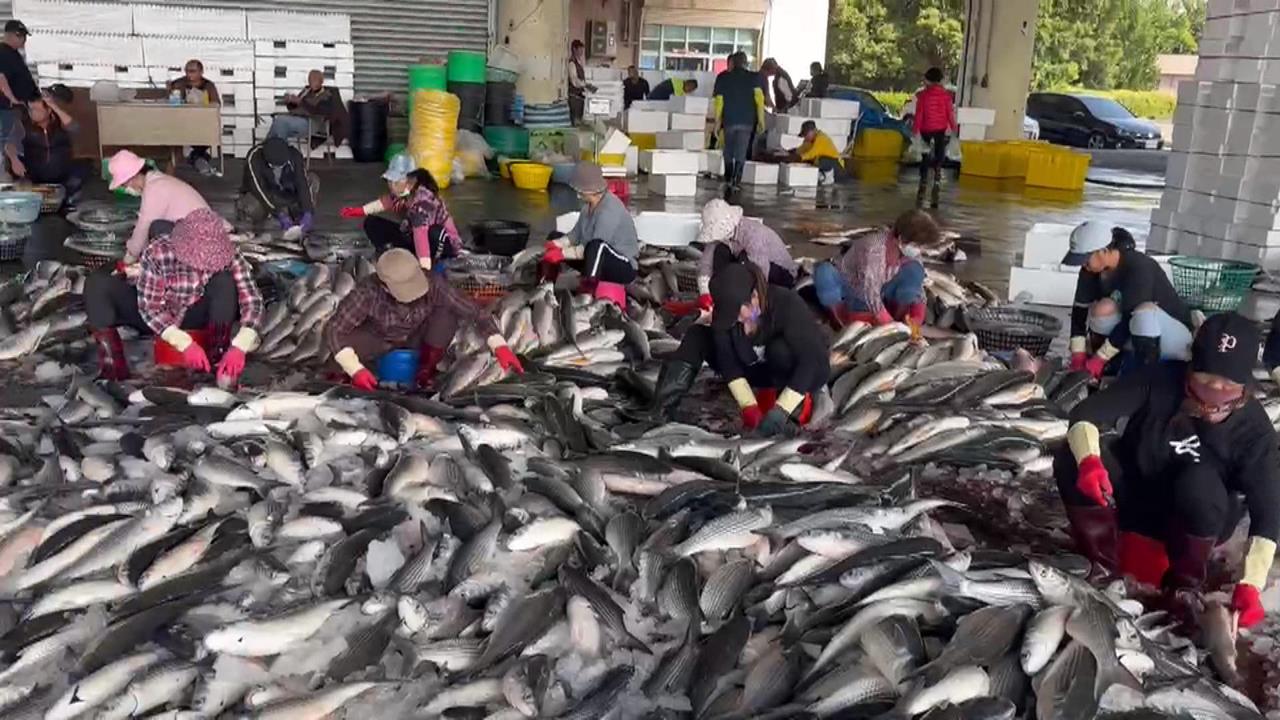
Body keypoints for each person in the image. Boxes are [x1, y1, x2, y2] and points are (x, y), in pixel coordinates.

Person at [1053, 312, 1277, 628]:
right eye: (1205, 378)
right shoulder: (1158, 380)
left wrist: (1251, 584)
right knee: (1071, 455)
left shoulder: (1256, 431)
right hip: (1137, 500)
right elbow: (1085, 413)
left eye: (1227, 386)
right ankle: (1101, 567)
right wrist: (1090, 462)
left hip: (1198, 520)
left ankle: (1184, 588)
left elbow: (1268, 513)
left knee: (1198, 479)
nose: (1214, 389)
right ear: (1190, 367)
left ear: (1246, 386)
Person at [84, 208, 263, 385]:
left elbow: (253, 300)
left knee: (224, 281)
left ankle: (218, 360)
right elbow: (150, 309)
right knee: (97, 283)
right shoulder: (158, 252)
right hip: (157, 321)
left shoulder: (230, 253)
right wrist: (185, 344)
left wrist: (240, 346)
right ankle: (114, 373)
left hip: (197, 314)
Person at [651, 262, 829, 438]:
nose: (734, 319)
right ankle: (663, 411)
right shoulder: (726, 317)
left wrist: (781, 410)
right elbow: (727, 359)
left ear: (754, 298)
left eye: (737, 312)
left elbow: (810, 361)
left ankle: (794, 412)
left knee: (780, 350)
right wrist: (748, 407)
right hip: (752, 368)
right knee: (697, 335)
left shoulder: (787, 304)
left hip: (795, 372)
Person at [326, 248, 523, 390]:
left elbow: (475, 312)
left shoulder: (434, 283)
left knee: (447, 313)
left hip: (416, 335)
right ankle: (345, 380)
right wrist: (354, 369)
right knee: (335, 356)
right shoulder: (367, 291)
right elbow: (334, 329)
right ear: (384, 286)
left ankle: (425, 371)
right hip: (378, 337)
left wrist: (499, 345)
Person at [1065, 221, 1193, 379]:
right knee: (1102, 309)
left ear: (1103, 251)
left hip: (1173, 338)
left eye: (1085, 260)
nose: (1083, 265)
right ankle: (1112, 368)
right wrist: (1078, 355)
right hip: (1134, 333)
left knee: (1143, 312)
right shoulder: (1091, 270)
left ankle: (1146, 376)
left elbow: (1129, 320)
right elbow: (1079, 310)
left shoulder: (1139, 267)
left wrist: (1100, 357)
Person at [813, 209, 941, 329]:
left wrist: (917, 315)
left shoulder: (911, 252)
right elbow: (870, 293)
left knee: (915, 270)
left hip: (882, 288)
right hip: (852, 286)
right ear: (901, 239)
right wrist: (890, 325)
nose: (921, 250)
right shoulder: (873, 248)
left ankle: (899, 318)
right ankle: (841, 323)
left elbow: (918, 286)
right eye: (919, 246)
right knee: (824, 272)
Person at [340, 153, 461, 274]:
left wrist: (425, 272)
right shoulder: (403, 193)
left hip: (443, 244)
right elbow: (385, 202)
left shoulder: (423, 202)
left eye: (395, 181)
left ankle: (432, 264)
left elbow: (421, 236)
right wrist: (359, 211)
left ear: (410, 181)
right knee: (371, 222)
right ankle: (392, 257)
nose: (391, 186)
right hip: (414, 237)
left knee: (434, 233)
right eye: (390, 181)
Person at [540, 161, 638, 308]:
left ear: (588, 190)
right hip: (593, 258)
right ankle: (545, 287)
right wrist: (556, 244)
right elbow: (575, 235)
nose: (577, 193)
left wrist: (562, 254)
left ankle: (587, 293)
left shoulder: (609, 210)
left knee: (596, 246)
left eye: (579, 189)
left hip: (622, 267)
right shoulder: (588, 208)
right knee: (555, 236)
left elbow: (592, 248)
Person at [107, 149, 211, 264]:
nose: (126, 188)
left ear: (132, 178)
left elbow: (144, 226)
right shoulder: (157, 181)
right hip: (203, 232)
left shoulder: (155, 189)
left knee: (157, 227)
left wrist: (130, 255)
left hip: (204, 239)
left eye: (124, 184)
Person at [694, 198, 797, 300]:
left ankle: (738, 298)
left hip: (779, 274)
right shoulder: (721, 238)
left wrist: (747, 303)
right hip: (750, 269)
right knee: (720, 251)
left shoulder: (753, 235)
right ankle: (723, 294)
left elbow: (760, 273)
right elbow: (706, 264)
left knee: (744, 259)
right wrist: (705, 293)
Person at [5, 86, 85, 199]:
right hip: (34, 174)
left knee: (80, 173)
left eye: (37, 110)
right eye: (30, 109)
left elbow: (75, 129)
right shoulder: (24, 124)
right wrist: (14, 160)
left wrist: (54, 106)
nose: (32, 113)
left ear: (49, 111)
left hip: (62, 174)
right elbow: (10, 144)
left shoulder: (60, 122)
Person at [237, 137, 316, 237]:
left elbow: (302, 182)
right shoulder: (254, 157)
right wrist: (278, 212)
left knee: (313, 180)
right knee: (252, 207)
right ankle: (261, 218)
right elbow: (259, 190)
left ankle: (298, 217)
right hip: (264, 194)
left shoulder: (294, 155)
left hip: (285, 193)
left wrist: (307, 209)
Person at [714, 52, 766, 190]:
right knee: (741, 151)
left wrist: (717, 123)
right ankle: (736, 181)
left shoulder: (723, 78)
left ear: (732, 63)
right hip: (747, 121)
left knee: (728, 150)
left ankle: (728, 177)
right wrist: (761, 121)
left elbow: (719, 102)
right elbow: (760, 101)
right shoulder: (754, 77)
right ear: (745, 63)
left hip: (729, 120)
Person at [912, 67, 958, 208]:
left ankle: (924, 179)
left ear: (929, 80)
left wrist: (916, 130)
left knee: (925, 154)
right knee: (939, 152)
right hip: (940, 129)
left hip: (926, 128)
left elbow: (919, 115)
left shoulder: (923, 96)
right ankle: (937, 173)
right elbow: (950, 113)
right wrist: (954, 128)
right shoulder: (946, 96)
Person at [267, 70, 349, 147]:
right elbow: (296, 108)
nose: (311, 81)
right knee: (279, 126)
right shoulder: (306, 91)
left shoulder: (327, 95)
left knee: (281, 122)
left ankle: (273, 151)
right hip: (299, 120)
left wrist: (300, 102)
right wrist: (290, 101)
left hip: (314, 123)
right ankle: (274, 151)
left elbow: (319, 111)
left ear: (321, 81)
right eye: (309, 79)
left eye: (314, 79)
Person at [168, 59, 221, 175]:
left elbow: (217, 104)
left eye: (193, 71)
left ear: (201, 72)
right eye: (187, 71)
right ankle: (198, 160)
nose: (189, 74)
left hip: (203, 122)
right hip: (182, 122)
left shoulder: (209, 86)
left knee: (204, 137)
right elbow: (172, 100)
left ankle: (196, 158)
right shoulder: (180, 84)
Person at [0, 20, 37, 169]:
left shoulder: (12, 54)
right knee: (7, 142)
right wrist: (13, 99)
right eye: (23, 37)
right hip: (7, 107)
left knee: (15, 140)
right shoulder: (2, 52)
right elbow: (1, 78)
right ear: (15, 35)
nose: (24, 41)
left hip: (17, 107)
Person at [792, 120, 844, 184]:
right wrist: (788, 152)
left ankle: (829, 178)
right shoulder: (808, 141)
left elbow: (811, 154)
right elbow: (800, 150)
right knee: (808, 161)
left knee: (822, 159)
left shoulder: (821, 138)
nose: (805, 137)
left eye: (806, 134)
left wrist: (796, 158)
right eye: (804, 135)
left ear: (813, 131)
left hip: (837, 168)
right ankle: (822, 176)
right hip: (825, 166)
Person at [567, 40, 595, 126]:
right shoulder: (572, 63)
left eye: (582, 50)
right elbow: (574, 80)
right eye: (580, 50)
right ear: (574, 49)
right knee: (575, 122)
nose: (582, 52)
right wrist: (586, 85)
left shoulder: (579, 63)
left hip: (580, 98)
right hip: (574, 98)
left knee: (579, 120)